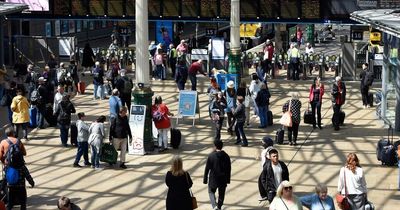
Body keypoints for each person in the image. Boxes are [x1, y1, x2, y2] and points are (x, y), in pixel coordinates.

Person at [0, 126, 34, 210]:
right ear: (13, 133)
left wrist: (5, 162)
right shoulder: (18, 141)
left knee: (11, 200)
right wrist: (32, 182)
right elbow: (24, 153)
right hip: (21, 184)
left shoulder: (3, 142)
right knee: (23, 202)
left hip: (10, 173)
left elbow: (0, 156)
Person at [203, 140, 231, 210]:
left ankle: (214, 206)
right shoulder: (226, 156)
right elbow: (229, 169)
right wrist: (228, 180)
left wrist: (205, 179)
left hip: (213, 179)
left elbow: (207, 169)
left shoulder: (211, 156)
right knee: (221, 194)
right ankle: (219, 206)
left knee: (211, 192)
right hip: (223, 179)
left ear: (215, 146)